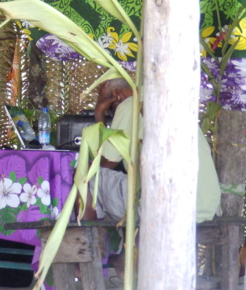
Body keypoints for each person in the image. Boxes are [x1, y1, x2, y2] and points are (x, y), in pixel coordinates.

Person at [88, 78, 221, 223]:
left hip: (165, 210)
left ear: (116, 94)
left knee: (83, 176)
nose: (113, 114)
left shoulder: (130, 104)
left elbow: (103, 164)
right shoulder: (171, 102)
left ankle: (87, 237)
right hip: (203, 208)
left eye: (111, 110)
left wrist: (99, 113)